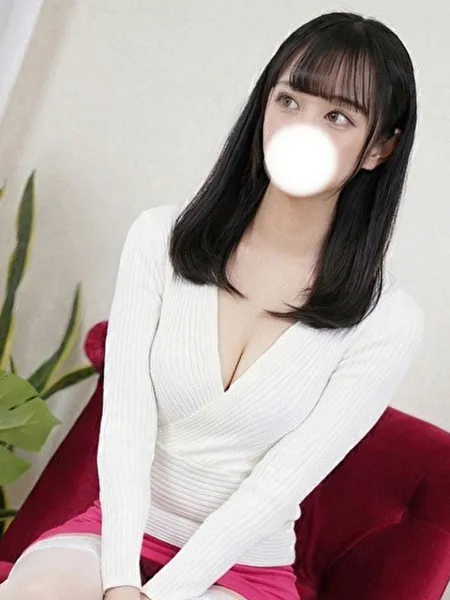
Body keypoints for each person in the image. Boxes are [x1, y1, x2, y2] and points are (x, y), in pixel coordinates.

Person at [0, 10, 425, 600]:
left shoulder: (388, 321)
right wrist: (121, 581)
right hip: (115, 536)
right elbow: (125, 426)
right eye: (289, 100)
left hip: (243, 569)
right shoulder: (158, 239)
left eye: (337, 116)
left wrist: (160, 596)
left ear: (379, 147)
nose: (301, 128)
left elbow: (278, 487)